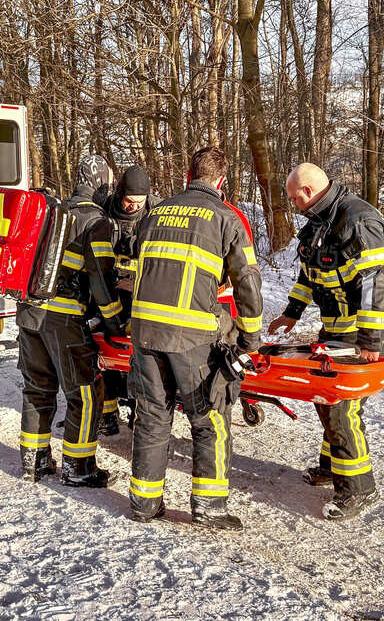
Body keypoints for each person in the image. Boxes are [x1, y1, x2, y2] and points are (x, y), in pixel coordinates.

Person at [128, 147, 263, 530]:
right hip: (192, 337)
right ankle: (209, 507)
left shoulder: (155, 213)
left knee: (152, 417)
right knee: (209, 418)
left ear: (189, 175)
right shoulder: (225, 217)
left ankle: (144, 504)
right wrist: (249, 341)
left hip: (145, 331)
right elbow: (247, 282)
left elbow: (140, 262)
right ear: (221, 181)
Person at [268, 162, 384, 520]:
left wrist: (369, 340)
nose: (292, 205)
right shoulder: (319, 220)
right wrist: (291, 312)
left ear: (308, 191)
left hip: (367, 328)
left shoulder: (359, 221)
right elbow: (310, 273)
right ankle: (332, 466)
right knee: (325, 397)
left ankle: (359, 489)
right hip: (338, 327)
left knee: (342, 405)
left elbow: (375, 284)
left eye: (293, 198)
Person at [17, 154, 127, 486]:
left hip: (29, 313)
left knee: (38, 389)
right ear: (102, 184)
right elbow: (101, 281)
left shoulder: (52, 212)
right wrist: (116, 322)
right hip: (63, 319)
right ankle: (78, 468)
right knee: (86, 392)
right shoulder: (96, 222)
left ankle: (34, 461)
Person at [95, 165, 157, 436]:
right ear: (120, 194)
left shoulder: (155, 213)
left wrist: (140, 284)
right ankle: (107, 414)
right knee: (105, 353)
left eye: (139, 202)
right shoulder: (104, 210)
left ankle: (137, 411)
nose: (134, 207)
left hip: (141, 295)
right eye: (130, 201)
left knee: (139, 359)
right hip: (107, 293)